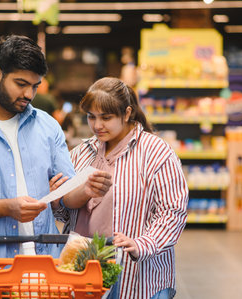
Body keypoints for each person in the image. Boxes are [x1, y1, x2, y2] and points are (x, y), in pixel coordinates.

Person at [0, 35, 112, 260]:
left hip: (45, 266)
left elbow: (65, 196)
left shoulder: (48, 127)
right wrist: (6, 208)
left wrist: (85, 190)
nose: (29, 95)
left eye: (35, 86)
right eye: (21, 84)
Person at [53, 77, 189, 299]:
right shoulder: (81, 153)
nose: (97, 126)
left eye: (106, 118)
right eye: (91, 117)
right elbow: (65, 213)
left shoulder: (156, 152)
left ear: (127, 113)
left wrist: (142, 244)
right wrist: (57, 199)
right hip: (83, 275)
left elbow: (173, 212)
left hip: (140, 278)